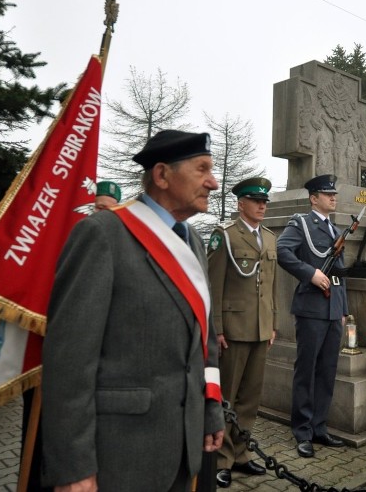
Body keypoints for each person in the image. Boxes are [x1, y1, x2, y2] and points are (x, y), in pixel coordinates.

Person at [41, 130, 224, 491]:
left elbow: (205, 342)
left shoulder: (195, 243)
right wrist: (73, 467)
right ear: (161, 175)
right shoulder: (102, 235)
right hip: (121, 454)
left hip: (185, 447)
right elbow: (69, 362)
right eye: (202, 169)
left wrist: (211, 409)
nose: (213, 183)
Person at [207, 177, 277, 488]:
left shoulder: (270, 239)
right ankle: (220, 460)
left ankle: (242, 454)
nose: (262, 205)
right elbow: (214, 284)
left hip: (261, 329)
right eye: (256, 200)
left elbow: (271, 288)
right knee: (227, 397)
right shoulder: (225, 236)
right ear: (241, 203)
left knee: (250, 398)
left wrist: (271, 323)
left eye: (264, 201)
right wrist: (218, 328)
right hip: (233, 330)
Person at [277, 174, 347, 458]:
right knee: (306, 371)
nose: (333, 197)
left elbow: (341, 274)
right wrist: (310, 273)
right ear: (313, 198)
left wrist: (343, 310)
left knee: (327, 371)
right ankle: (303, 431)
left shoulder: (336, 229)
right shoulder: (301, 224)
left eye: (334, 194)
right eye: (326, 194)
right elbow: (282, 251)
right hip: (311, 309)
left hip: (332, 311)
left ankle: (319, 427)